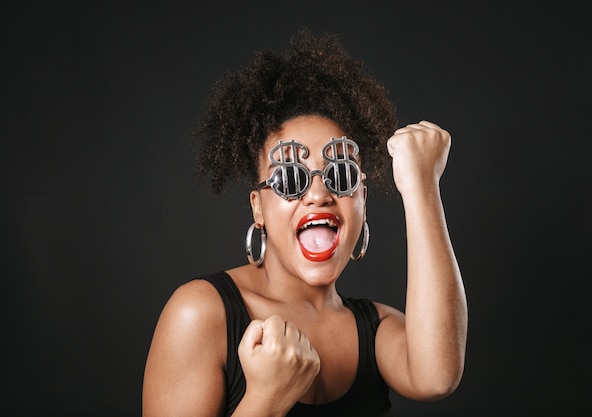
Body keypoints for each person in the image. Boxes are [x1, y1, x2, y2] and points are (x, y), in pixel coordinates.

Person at [142, 28, 467, 417]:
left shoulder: (376, 328)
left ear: (361, 200)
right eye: (290, 179)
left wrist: (421, 187)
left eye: (341, 176)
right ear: (257, 208)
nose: (318, 195)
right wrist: (267, 399)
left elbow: (437, 377)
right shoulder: (200, 314)